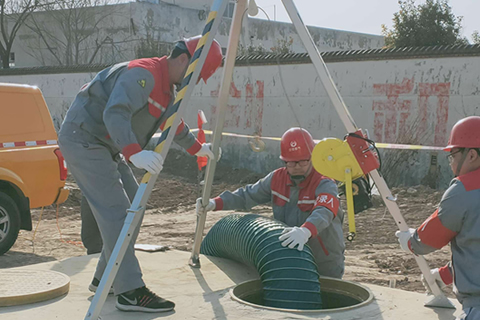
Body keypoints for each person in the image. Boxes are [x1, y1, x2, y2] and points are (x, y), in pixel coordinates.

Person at [58, 35, 223, 313]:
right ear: (183, 59)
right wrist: (134, 153)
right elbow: (116, 113)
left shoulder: (168, 90)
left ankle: (106, 278)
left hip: (105, 144)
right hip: (84, 138)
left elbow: (174, 125)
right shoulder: (143, 75)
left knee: (135, 202)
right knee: (118, 211)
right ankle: (130, 291)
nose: (192, 83)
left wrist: (198, 149)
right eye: (194, 76)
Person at [197, 128, 345, 279]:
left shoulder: (324, 182)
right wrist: (215, 203)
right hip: (291, 255)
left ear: (312, 157)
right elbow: (247, 195)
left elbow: (324, 210)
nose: (297, 167)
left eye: (303, 162)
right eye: (291, 163)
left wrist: (305, 231)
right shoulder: (276, 179)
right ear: (284, 161)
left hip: (324, 261)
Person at [396, 116, 480, 320]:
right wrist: (445, 275)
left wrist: (411, 241)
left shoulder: (464, 189)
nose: (451, 163)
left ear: (471, 155)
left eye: (453, 155)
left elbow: (429, 239)